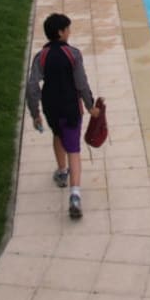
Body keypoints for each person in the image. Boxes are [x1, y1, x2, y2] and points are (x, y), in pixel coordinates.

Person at [26, 12, 100, 220]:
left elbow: (32, 86)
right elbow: (81, 83)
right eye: (68, 29)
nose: (70, 32)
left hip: (51, 107)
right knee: (74, 149)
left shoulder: (40, 57)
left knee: (57, 135)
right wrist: (90, 105)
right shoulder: (73, 54)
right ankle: (75, 195)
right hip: (71, 108)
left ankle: (61, 172)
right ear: (60, 32)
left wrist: (35, 113)